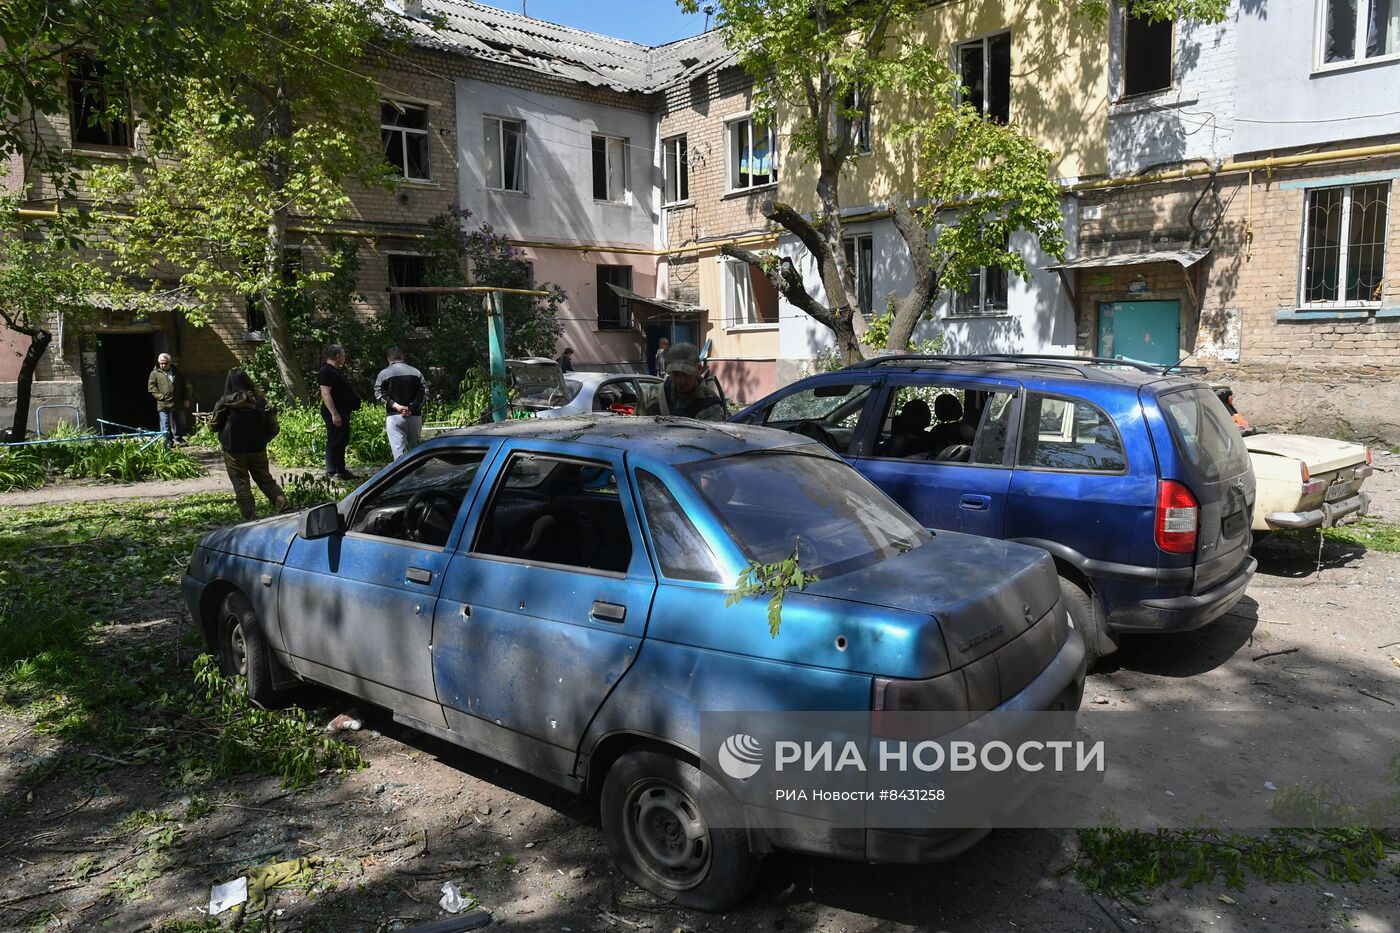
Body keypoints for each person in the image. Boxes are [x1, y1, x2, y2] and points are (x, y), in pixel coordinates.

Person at [210, 368, 288, 520]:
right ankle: (283, 504)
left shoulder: (225, 402)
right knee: (266, 480)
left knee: (241, 485)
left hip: (233, 450)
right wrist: (263, 440)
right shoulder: (261, 401)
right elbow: (274, 428)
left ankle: (250, 518)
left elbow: (213, 426)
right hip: (257, 448)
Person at [374, 346, 429, 460]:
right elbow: (424, 392)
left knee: (399, 452)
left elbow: (379, 394)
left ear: (389, 359)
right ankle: (419, 475)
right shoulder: (416, 372)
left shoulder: (383, 374)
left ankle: (403, 477)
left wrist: (397, 406)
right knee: (416, 451)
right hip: (414, 416)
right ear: (403, 357)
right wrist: (411, 407)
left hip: (394, 416)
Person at [653, 342, 726, 421]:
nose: (680, 380)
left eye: (686, 374)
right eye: (675, 374)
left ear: (699, 369)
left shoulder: (710, 404)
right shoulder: (653, 395)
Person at [317, 344, 359, 481]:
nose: (344, 357)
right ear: (337, 356)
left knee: (343, 439)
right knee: (335, 440)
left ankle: (341, 469)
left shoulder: (334, 371)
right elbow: (325, 393)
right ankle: (331, 471)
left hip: (343, 411)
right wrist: (334, 413)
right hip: (334, 412)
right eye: (343, 355)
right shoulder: (326, 371)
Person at [146, 352, 190, 447]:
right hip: (163, 403)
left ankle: (179, 438)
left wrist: (186, 399)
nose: (163, 365)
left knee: (180, 422)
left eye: (165, 363)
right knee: (165, 423)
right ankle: (168, 441)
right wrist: (160, 396)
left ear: (170, 362)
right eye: (161, 363)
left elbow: (183, 386)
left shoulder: (177, 372)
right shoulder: (155, 373)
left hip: (177, 401)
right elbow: (151, 387)